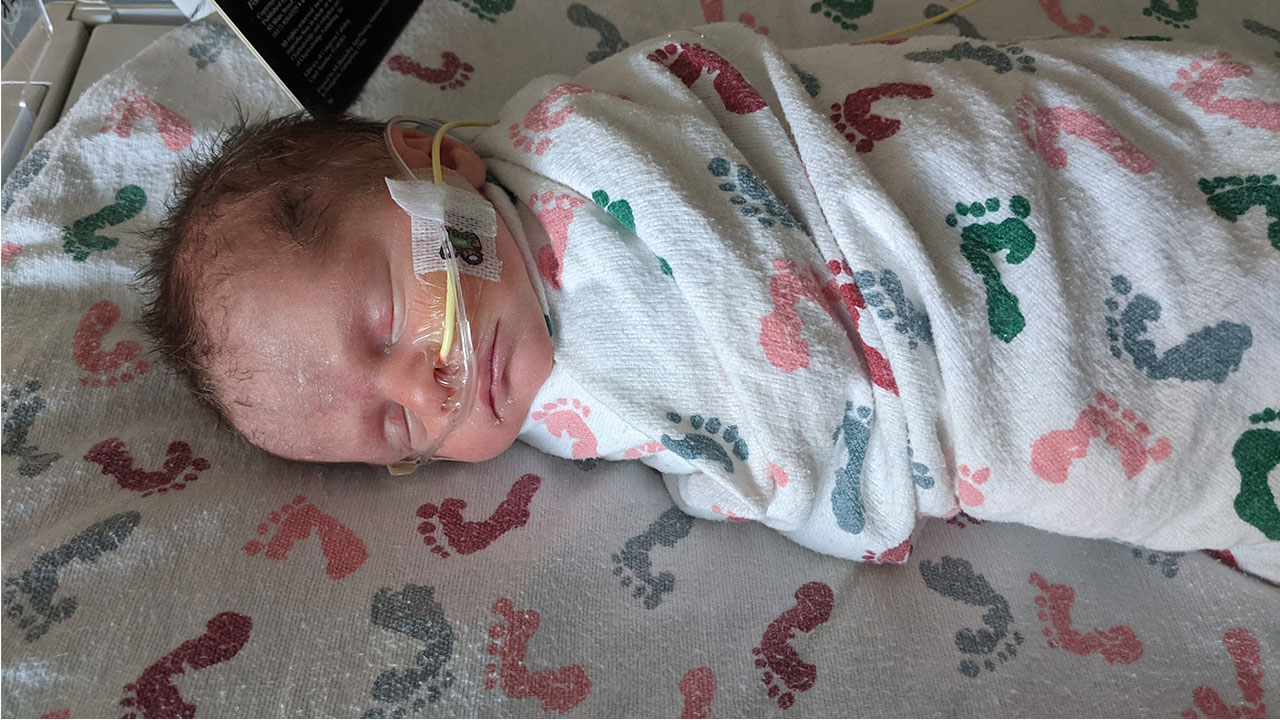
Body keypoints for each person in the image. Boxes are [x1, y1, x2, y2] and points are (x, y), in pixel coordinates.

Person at [140, 24, 1280, 578]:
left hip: (961, 194)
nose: (425, 386)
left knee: (1159, 197)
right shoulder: (559, 402)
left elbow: (734, 211)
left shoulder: (582, 141)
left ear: (430, 164)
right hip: (992, 389)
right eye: (390, 429)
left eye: (385, 322)